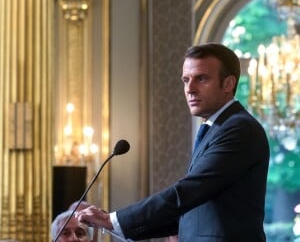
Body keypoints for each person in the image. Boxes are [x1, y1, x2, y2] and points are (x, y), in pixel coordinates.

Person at [75, 43, 270, 241]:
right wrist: (114, 224)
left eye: (201, 79)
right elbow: (189, 212)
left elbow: (191, 191)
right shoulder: (216, 129)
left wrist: (114, 220)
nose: (190, 89)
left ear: (228, 84)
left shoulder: (239, 129)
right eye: (186, 80)